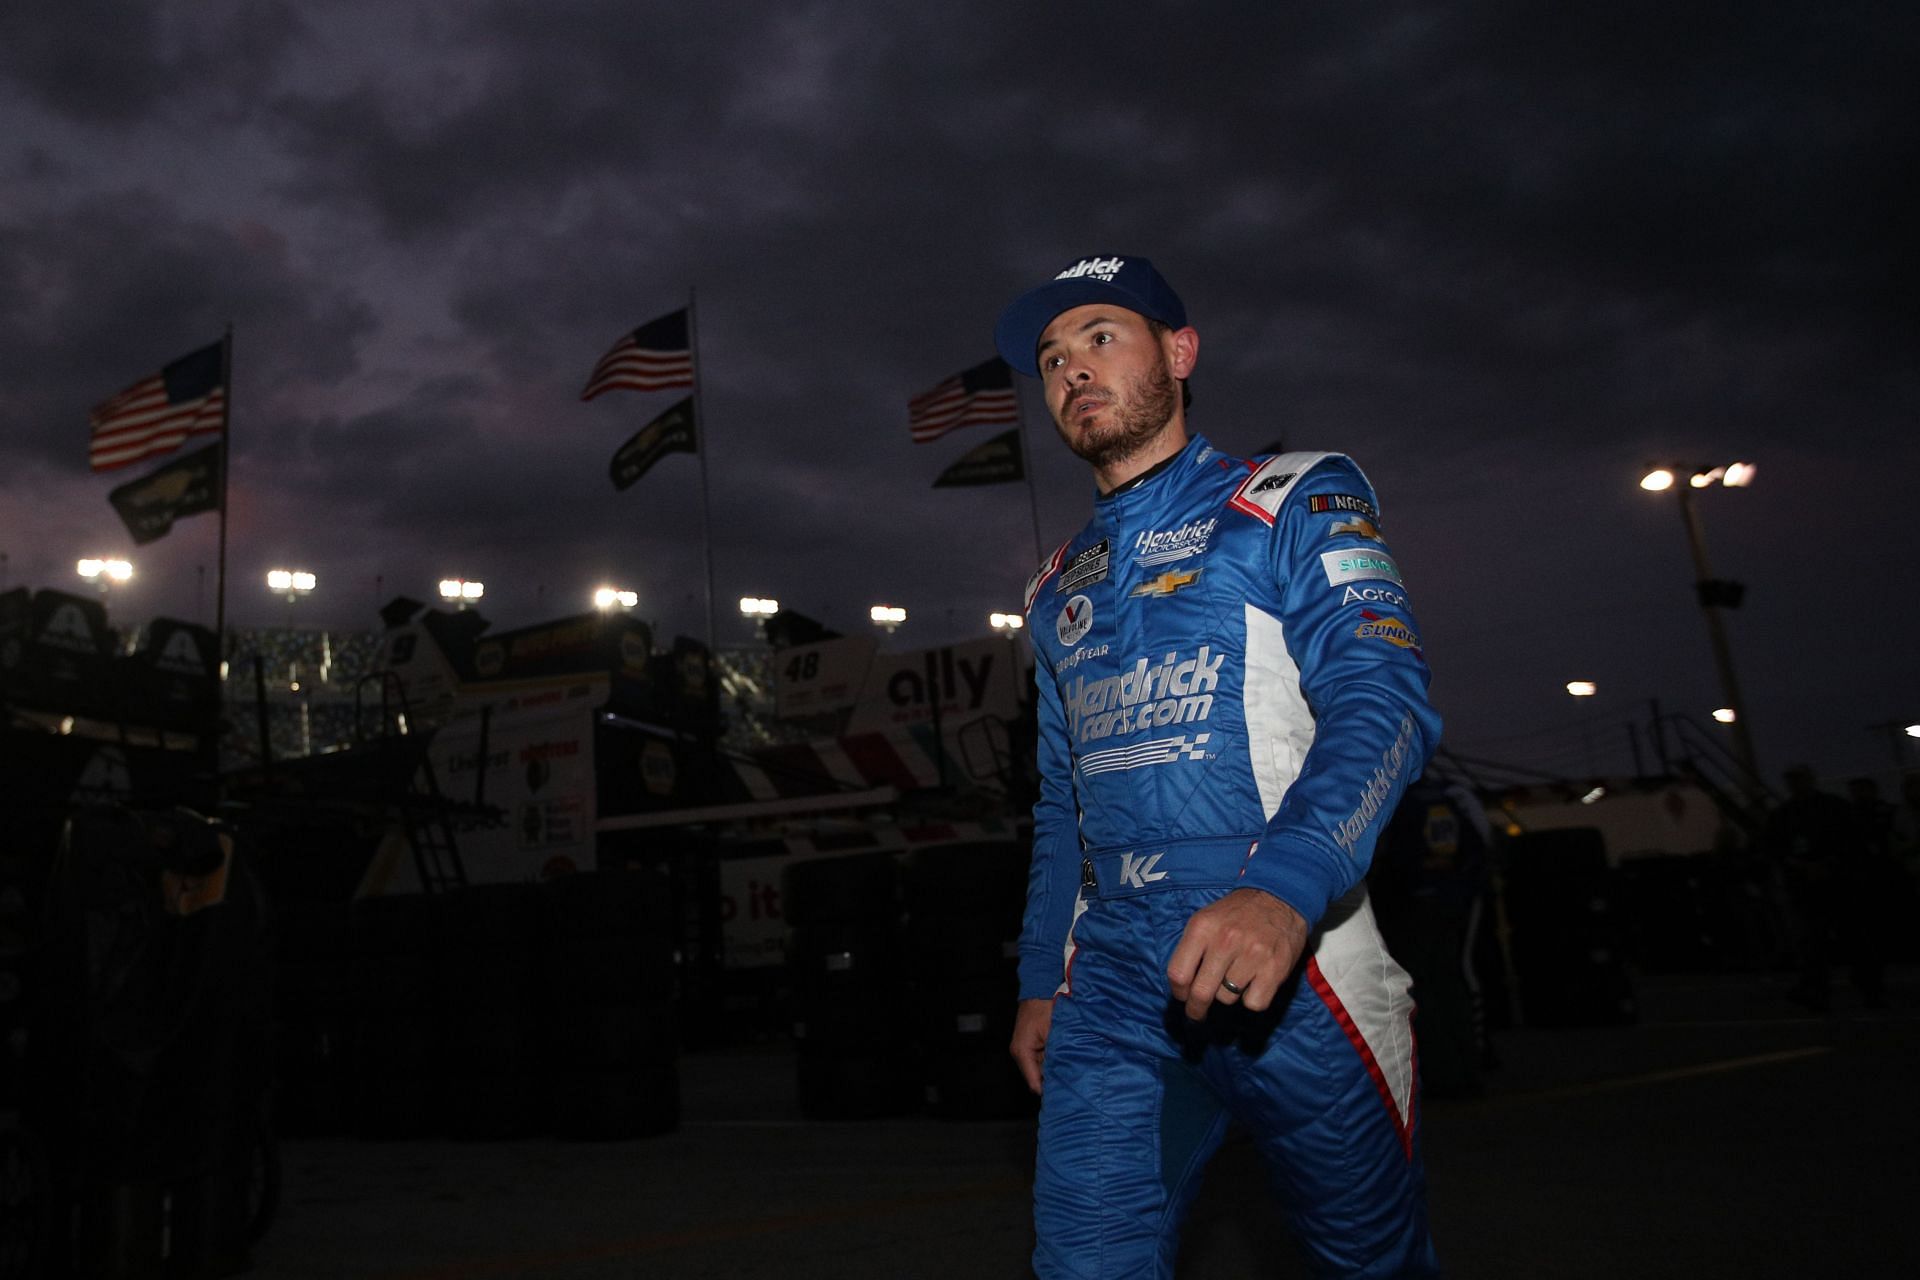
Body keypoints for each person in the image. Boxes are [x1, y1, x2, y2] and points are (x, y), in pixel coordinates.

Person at [998, 254, 1443, 1278]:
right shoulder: (1057, 583)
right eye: (1054, 356)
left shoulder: (1289, 499)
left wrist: (1280, 890)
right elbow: (1063, 807)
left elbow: (1384, 704)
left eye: (1101, 335)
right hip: (1113, 980)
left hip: (1297, 959)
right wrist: (1037, 979)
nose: (1070, 368)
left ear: (1181, 352)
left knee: (1369, 1261)